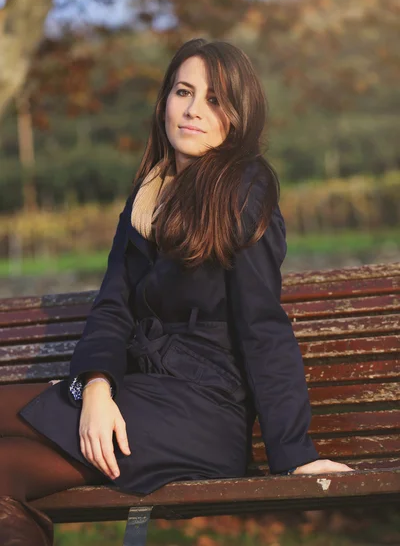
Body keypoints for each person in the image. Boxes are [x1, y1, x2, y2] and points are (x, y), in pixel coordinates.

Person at [0, 37, 353, 545]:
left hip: (199, 412)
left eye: (214, 99)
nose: (193, 111)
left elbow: (262, 327)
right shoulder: (147, 196)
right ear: (164, 99)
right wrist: (96, 386)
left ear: (238, 114)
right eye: (183, 92)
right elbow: (112, 306)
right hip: (136, 399)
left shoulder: (243, 190)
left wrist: (293, 452)